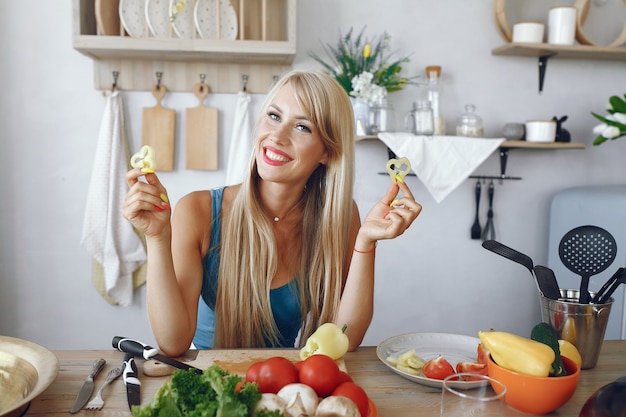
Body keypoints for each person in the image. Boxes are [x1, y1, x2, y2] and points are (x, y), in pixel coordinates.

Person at [123, 70, 422, 357]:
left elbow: (344, 336)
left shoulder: (340, 219)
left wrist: (366, 242)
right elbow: (173, 343)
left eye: (302, 126)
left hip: (285, 384)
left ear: (327, 153)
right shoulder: (197, 211)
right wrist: (157, 237)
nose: (276, 136)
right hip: (211, 382)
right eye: (274, 116)